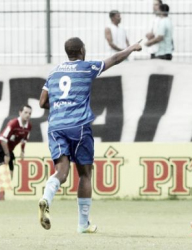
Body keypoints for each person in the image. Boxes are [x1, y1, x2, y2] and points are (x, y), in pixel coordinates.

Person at [38, 37, 141, 233]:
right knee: (84, 174)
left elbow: (42, 102)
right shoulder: (87, 67)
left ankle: (46, 196)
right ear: (82, 50)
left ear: (67, 52)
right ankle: (82, 224)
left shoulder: (54, 73)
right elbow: (115, 59)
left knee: (61, 171)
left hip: (55, 126)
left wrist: (62, 103)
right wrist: (131, 48)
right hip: (79, 126)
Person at [0, 105, 32, 201]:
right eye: (26, 112)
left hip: (9, 150)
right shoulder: (13, 123)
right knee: (0, 173)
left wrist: (22, 151)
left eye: (29, 113)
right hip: (0, 149)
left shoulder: (29, 126)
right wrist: (6, 155)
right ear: (20, 113)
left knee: (9, 176)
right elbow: (2, 139)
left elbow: (24, 139)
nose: (28, 115)